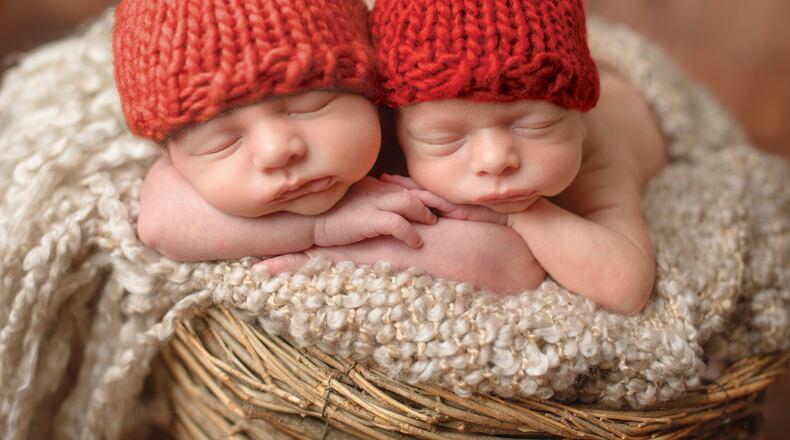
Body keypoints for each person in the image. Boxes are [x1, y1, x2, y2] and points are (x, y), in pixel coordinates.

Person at [359, 0, 668, 314]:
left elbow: (628, 288)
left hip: (630, 101)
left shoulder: (598, 157)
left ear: (581, 118)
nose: (495, 160)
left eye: (535, 126)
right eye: (446, 139)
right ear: (395, 131)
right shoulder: (387, 132)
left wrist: (519, 217)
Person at [113, 0, 440, 262]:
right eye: (223, 143)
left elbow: (475, 256)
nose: (276, 151)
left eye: (309, 108)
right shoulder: (178, 181)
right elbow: (159, 225)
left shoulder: (428, 136)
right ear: (171, 155)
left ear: (373, 92)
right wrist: (319, 228)